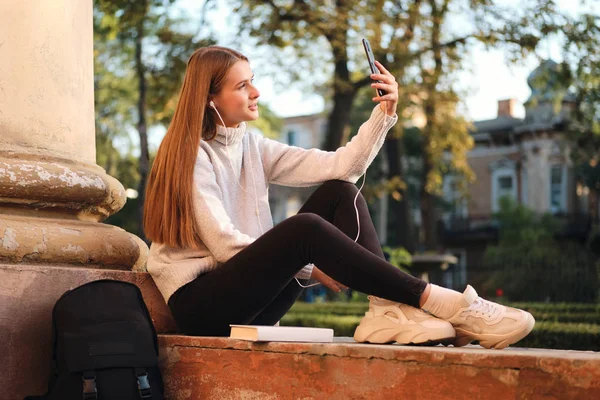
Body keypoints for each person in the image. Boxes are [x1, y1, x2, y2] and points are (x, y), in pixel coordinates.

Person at [143, 46, 535, 349]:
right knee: (303, 230)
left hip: (252, 298)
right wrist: (312, 267)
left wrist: (385, 112)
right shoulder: (191, 154)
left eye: (253, 80)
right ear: (210, 98)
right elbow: (225, 245)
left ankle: (386, 310)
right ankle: (446, 302)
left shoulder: (253, 148)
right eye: (242, 85)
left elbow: (342, 167)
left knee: (339, 193)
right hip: (205, 308)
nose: (256, 91)